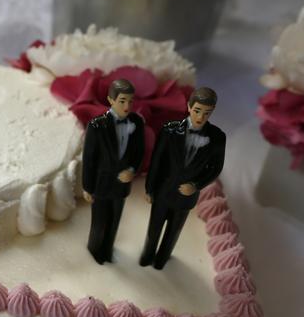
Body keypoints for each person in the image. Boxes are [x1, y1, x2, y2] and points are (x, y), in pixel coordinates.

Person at [140, 87, 225, 270]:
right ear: (189, 106)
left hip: (186, 197)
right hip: (163, 191)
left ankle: (161, 262)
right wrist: (149, 189)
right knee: (153, 229)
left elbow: (215, 168)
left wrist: (196, 185)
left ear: (212, 112)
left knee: (173, 233)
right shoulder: (169, 130)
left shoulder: (218, 138)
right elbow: (157, 162)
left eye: (206, 113)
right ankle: (146, 258)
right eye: (197, 111)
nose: (200, 117)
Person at [82, 79, 145, 264]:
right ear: (111, 100)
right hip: (101, 184)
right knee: (99, 223)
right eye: (122, 101)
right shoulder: (97, 125)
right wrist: (87, 187)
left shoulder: (137, 122)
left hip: (122, 185)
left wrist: (132, 170)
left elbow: (139, 152)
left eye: (130, 101)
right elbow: (89, 159)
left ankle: (107, 252)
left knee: (114, 222)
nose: (127, 106)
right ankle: (94, 254)